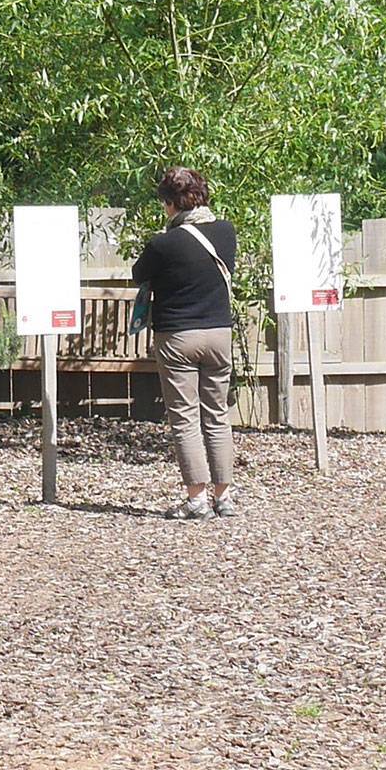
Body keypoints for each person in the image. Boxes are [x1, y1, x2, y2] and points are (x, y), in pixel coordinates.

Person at [134, 166, 239, 519]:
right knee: (218, 416)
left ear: (169, 203)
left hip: (177, 336)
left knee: (184, 418)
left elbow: (138, 273)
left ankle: (196, 500)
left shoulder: (163, 243)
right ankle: (224, 497)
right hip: (219, 334)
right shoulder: (226, 232)